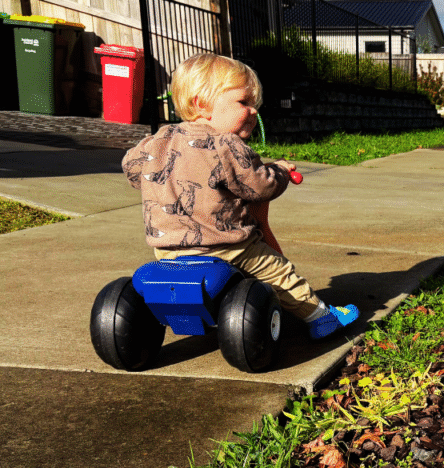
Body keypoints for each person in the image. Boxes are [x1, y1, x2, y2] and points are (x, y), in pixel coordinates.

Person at [122, 53, 356, 340]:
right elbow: (260, 186)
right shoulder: (225, 144)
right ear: (202, 104)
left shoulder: (154, 141)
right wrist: (279, 171)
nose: (254, 111)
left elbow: (132, 169)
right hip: (226, 247)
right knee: (278, 272)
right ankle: (321, 317)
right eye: (243, 102)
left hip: (167, 250)